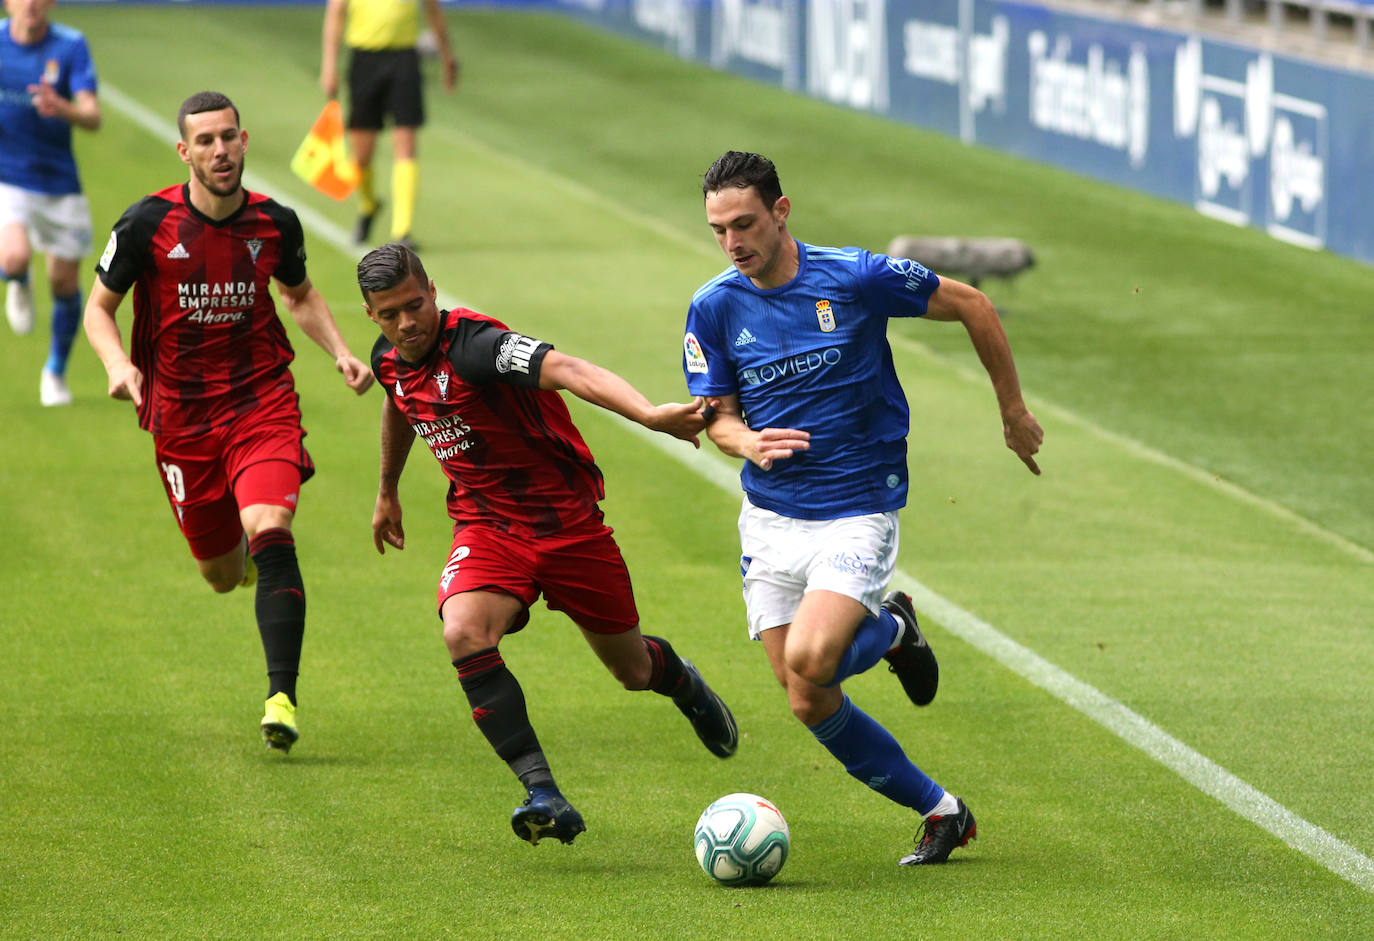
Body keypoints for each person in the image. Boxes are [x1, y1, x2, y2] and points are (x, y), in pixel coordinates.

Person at [682, 151, 1044, 866]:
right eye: (719, 229)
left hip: (856, 506)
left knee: (815, 659)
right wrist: (746, 440)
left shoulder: (854, 278)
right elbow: (715, 418)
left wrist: (1012, 409)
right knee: (805, 698)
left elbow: (973, 303)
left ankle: (890, 627)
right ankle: (943, 809)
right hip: (771, 517)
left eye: (745, 224)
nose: (732, 242)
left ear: (782, 212)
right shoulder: (715, 305)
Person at [359, 242, 738, 846]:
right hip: (487, 528)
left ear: (432, 291)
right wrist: (386, 489)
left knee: (632, 669)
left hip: (568, 529)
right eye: (389, 314)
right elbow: (400, 404)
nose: (407, 323)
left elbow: (570, 370)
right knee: (463, 632)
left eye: (414, 305)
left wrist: (647, 414)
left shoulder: (479, 347)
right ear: (373, 316)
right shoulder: (390, 357)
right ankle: (542, 791)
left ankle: (682, 682)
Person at [82, 91, 375, 753]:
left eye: (229, 138)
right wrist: (115, 366)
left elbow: (298, 295)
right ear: (185, 151)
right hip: (180, 419)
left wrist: (343, 353)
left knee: (271, 527)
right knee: (220, 573)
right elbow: (100, 309)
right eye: (205, 141)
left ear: (244, 141)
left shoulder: (277, 223)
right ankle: (238, 555)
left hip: (259, 401)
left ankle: (282, 696)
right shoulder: (145, 224)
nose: (220, 151)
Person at [0, 0, 101, 406]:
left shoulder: (71, 45)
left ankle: (55, 371)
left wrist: (62, 109)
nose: (31, 5)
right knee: (14, 256)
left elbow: (93, 116)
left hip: (59, 181)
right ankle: (18, 280)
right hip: (9, 177)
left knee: (64, 283)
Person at [320, 0, 458, 250]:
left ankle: (402, 230)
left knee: (406, 144)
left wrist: (448, 55)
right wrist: (329, 64)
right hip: (364, 58)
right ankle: (368, 205)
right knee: (361, 155)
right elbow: (336, 12)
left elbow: (433, 10)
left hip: (404, 60)